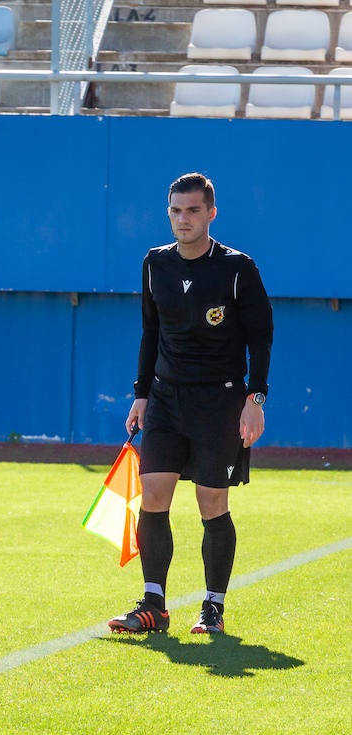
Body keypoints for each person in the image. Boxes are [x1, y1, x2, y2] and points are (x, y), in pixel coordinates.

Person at [108, 172, 273, 637]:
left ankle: (213, 607)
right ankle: (153, 605)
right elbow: (150, 331)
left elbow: (261, 337)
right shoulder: (154, 263)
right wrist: (141, 393)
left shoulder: (238, 268)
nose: (183, 219)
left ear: (211, 213)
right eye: (176, 211)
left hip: (219, 401)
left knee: (210, 502)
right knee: (154, 495)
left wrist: (254, 399)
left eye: (193, 211)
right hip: (164, 397)